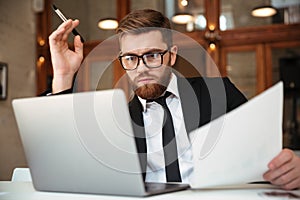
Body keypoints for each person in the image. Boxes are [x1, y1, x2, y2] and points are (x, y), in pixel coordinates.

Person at [48, 9, 300, 190]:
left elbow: (264, 154)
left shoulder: (219, 92)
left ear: (171, 55)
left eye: (152, 55)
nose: (141, 68)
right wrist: (63, 75)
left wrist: (291, 168)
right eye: (131, 58)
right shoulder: (116, 119)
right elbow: (66, 165)